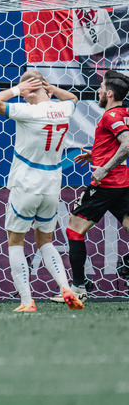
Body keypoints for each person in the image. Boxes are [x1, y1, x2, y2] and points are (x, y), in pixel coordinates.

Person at [0, 71, 84, 312]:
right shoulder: (63, 110)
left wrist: (19, 90)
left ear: (30, 88)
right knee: (45, 241)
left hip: (26, 186)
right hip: (52, 187)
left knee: (15, 242)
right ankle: (65, 287)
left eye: (26, 90)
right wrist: (50, 88)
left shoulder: (28, 112)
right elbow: (73, 99)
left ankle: (27, 300)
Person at [66, 70, 129, 297]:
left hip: (106, 184)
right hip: (123, 181)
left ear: (110, 94)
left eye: (101, 88)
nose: (99, 91)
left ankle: (79, 287)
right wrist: (96, 156)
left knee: (74, 228)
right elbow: (116, 145)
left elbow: (127, 144)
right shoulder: (124, 113)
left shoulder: (110, 116)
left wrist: (103, 167)